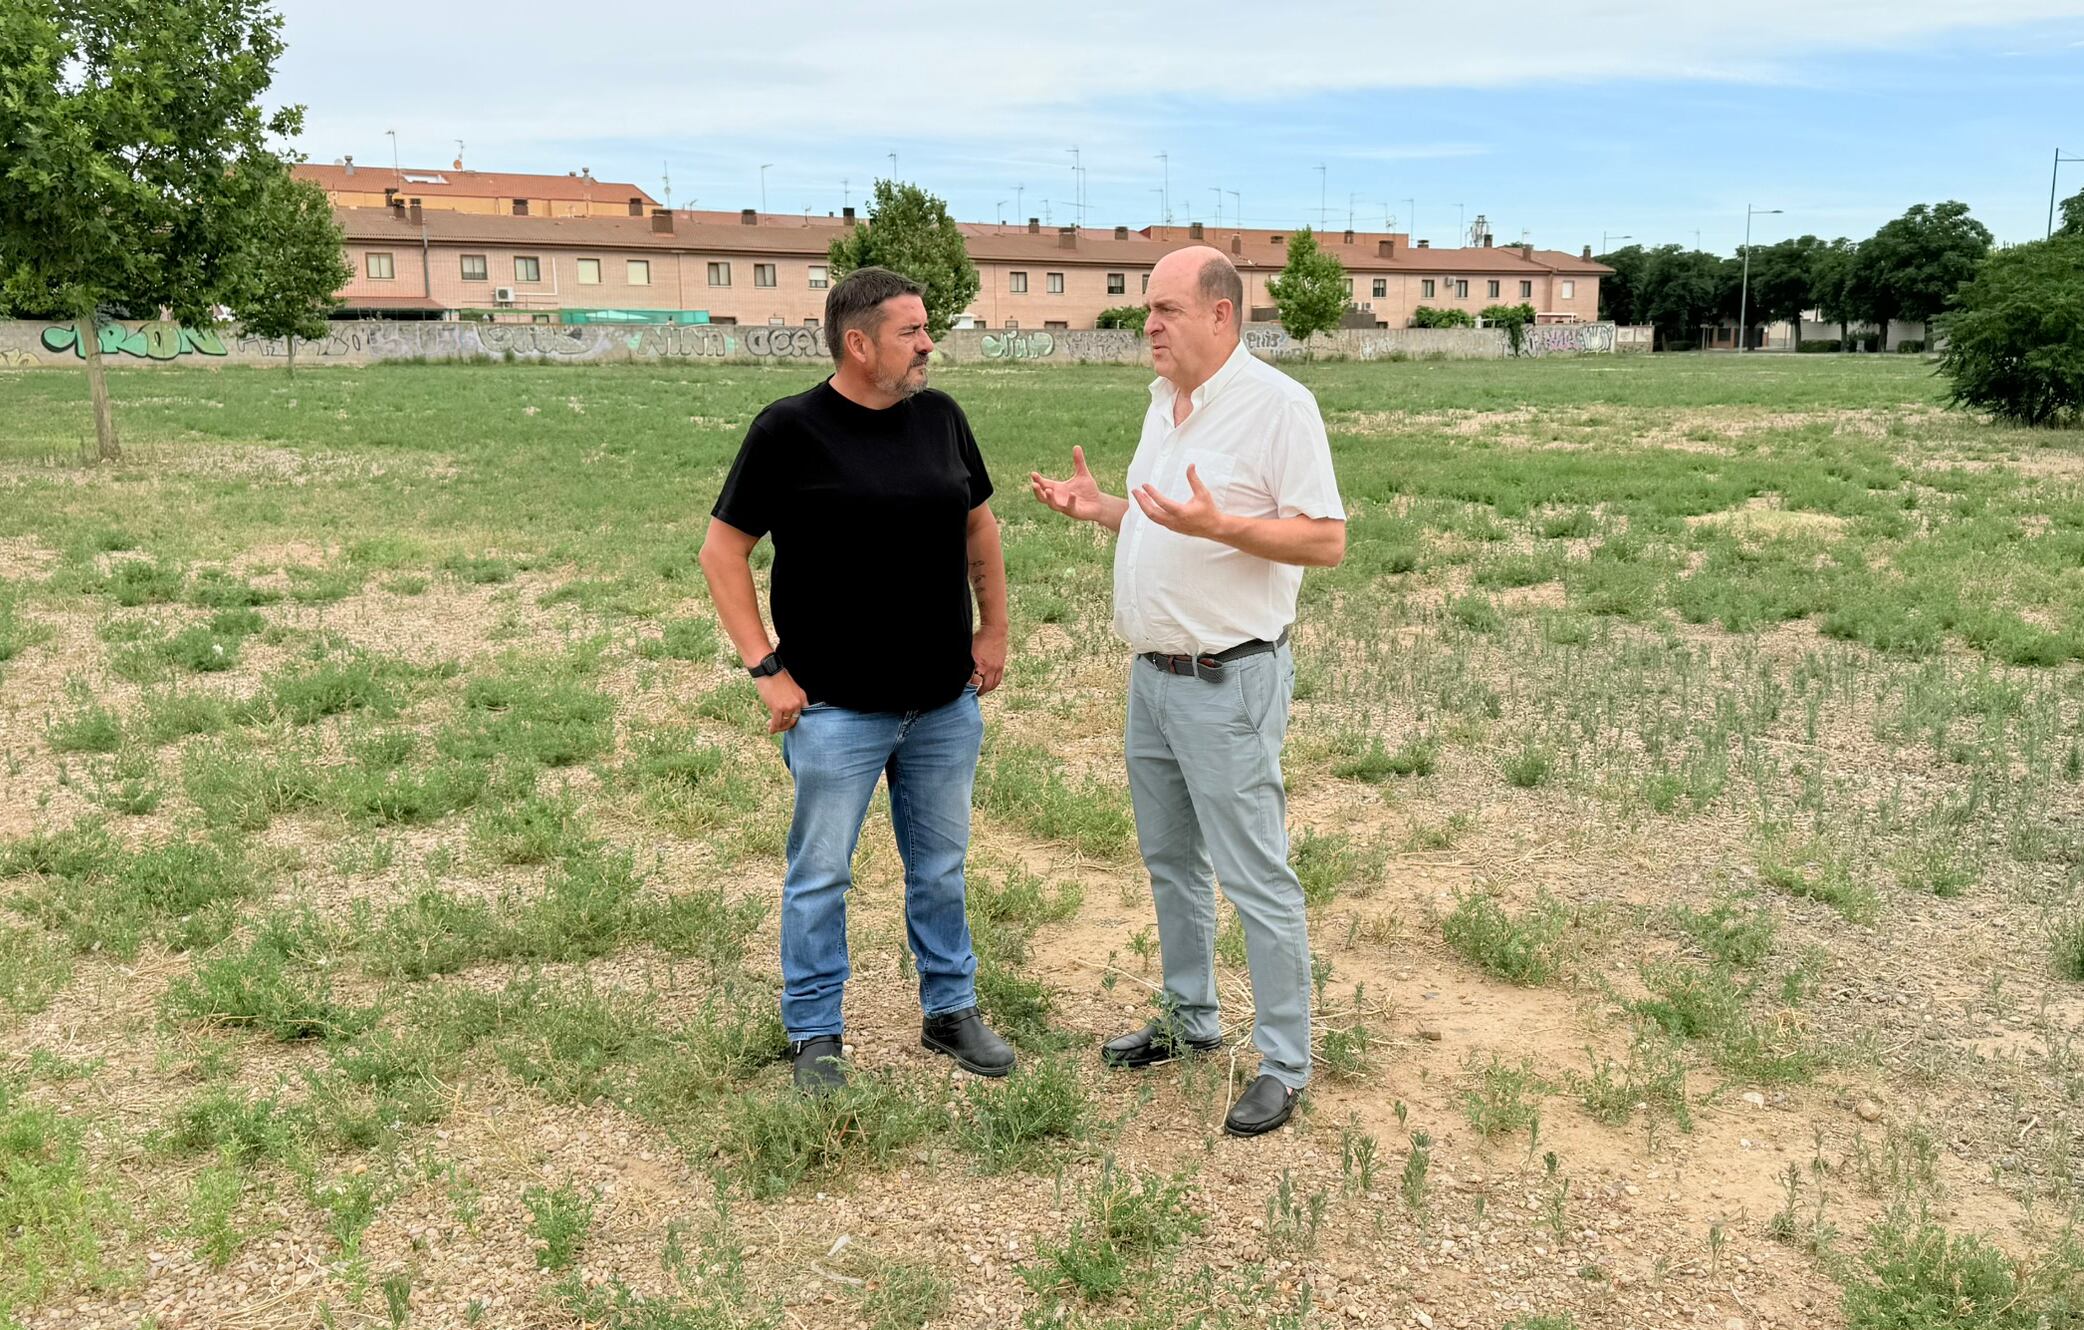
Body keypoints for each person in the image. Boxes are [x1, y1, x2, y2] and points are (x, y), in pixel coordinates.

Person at [1030, 246, 1346, 1137]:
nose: (1150, 326)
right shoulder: (1164, 405)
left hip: (1228, 678)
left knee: (1256, 876)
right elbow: (1167, 519)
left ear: (1222, 315)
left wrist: (1230, 527)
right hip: (1154, 678)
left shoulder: (1280, 407)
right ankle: (1190, 1018)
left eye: (1167, 309)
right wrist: (1103, 509)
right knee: (1171, 860)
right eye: (1145, 312)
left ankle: (1285, 1061)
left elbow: (1325, 540)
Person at [700, 266, 1014, 1094]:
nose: (928, 346)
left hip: (944, 702)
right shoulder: (789, 430)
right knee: (821, 876)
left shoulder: (941, 418)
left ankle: (951, 1011)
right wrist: (766, 669)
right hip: (835, 710)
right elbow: (721, 552)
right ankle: (815, 1033)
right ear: (859, 341)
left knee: (940, 868)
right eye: (913, 332)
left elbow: (979, 525)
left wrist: (995, 628)